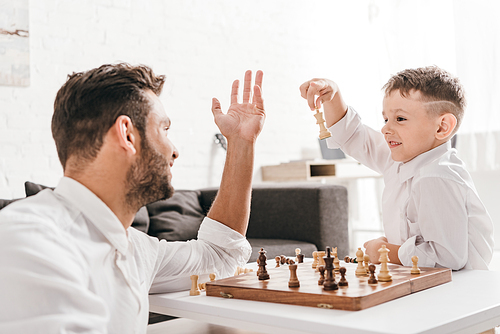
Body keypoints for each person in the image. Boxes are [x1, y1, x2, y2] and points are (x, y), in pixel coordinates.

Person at [0, 63, 265, 333]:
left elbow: (220, 256)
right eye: (164, 129)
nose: (174, 151)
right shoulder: (26, 241)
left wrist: (241, 143)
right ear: (127, 134)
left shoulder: (135, 247)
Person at [300, 66, 494, 270]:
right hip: (424, 282)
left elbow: (448, 257)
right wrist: (333, 96)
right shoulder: (402, 158)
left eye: (400, 119)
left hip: (458, 291)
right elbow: (354, 137)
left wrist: (383, 251)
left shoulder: (436, 175)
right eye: (386, 119)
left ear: (441, 127)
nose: (385, 128)